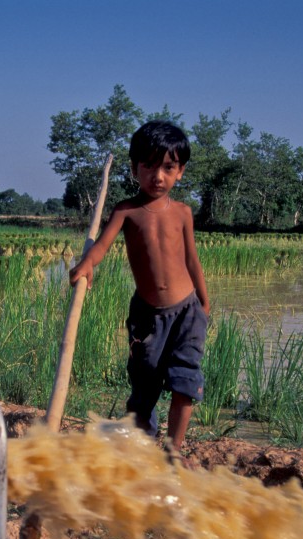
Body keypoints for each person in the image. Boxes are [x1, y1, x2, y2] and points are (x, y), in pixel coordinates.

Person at [69, 120, 210, 456]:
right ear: (134, 169)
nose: (157, 176)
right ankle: (141, 439)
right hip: (148, 316)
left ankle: (173, 451)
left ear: (180, 172)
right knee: (144, 384)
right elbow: (101, 247)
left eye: (167, 167)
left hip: (187, 311)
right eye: (148, 166)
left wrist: (204, 303)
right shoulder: (127, 211)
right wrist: (87, 265)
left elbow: (192, 260)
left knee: (184, 382)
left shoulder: (183, 213)